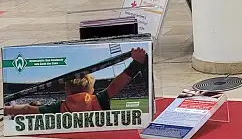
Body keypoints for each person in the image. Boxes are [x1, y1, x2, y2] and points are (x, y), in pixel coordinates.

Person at [4, 48, 148, 115]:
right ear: (91, 89)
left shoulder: (60, 107)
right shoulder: (97, 100)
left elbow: (28, 109)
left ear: (67, 90)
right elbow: (117, 84)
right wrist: (136, 64)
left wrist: (5, 109)